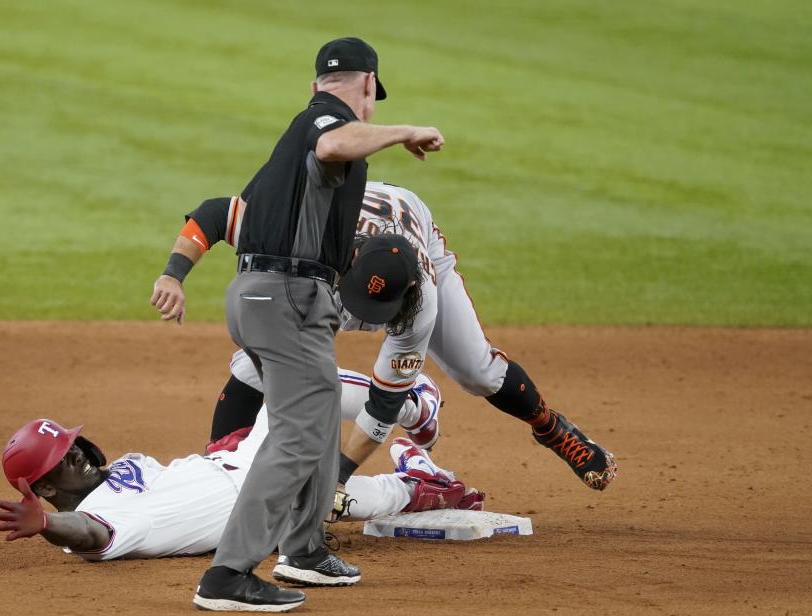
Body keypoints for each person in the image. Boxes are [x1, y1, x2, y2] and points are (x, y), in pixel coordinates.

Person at [151, 37, 444, 611]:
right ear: (367, 88)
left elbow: (223, 211)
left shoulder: (288, 153)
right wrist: (404, 132)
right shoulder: (326, 124)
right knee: (296, 434)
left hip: (258, 297)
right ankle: (229, 575)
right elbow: (337, 142)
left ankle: (304, 550)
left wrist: (175, 272)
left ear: (316, 83)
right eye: (374, 101)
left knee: (316, 407)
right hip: (288, 297)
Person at [155, 182, 617, 507]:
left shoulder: (421, 302)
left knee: (479, 371)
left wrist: (337, 477)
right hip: (343, 245)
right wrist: (173, 274)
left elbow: (383, 402)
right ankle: (222, 458)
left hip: (417, 232)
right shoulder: (307, 233)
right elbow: (216, 214)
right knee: (258, 361)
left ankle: (551, 426)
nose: (365, 320)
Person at [0, 373, 483, 569]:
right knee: (300, 381)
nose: (78, 454)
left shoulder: (120, 469)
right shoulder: (103, 516)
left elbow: (180, 480)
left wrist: (224, 448)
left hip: (245, 464)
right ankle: (412, 407)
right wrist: (49, 525)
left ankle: (419, 481)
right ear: (46, 486)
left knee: (253, 363)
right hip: (259, 503)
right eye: (64, 459)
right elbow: (90, 535)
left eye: (73, 445)